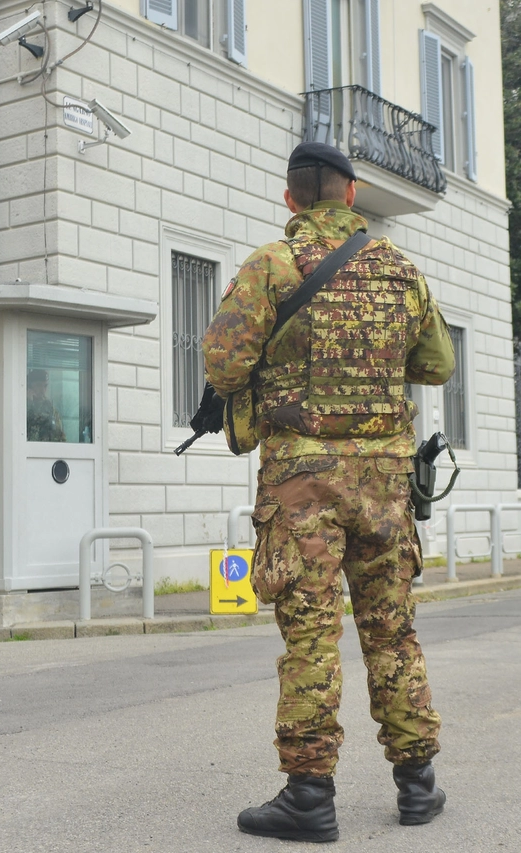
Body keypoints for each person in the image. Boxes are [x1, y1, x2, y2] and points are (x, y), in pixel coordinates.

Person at [202, 142, 455, 841]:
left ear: (292, 200)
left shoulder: (272, 266)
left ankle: (309, 797)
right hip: (384, 483)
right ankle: (418, 785)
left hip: (302, 481)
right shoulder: (402, 270)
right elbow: (437, 364)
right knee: (392, 628)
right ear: (350, 196)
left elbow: (223, 365)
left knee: (311, 631)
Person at [26, 369, 66, 442]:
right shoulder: (22, 406)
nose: (42, 390)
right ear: (29, 387)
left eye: (45, 386)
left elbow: (59, 433)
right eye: (38, 385)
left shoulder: (49, 407)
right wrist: (29, 402)